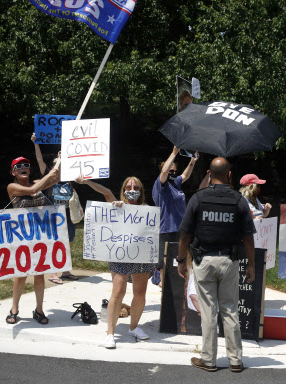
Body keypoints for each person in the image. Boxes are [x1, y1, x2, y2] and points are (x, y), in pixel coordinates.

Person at [177, 157, 256, 372]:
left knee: (209, 311)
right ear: (230, 175)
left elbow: (185, 234)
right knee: (230, 310)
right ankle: (236, 360)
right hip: (229, 261)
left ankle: (209, 360)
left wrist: (181, 259)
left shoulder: (198, 198)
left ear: (209, 174)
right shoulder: (239, 200)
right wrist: (251, 265)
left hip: (204, 260)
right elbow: (249, 237)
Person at [75, 174, 154, 349]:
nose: (132, 190)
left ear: (141, 191)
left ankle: (133, 327)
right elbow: (106, 192)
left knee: (140, 293)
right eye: (128, 187)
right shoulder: (117, 205)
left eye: (136, 187)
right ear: (123, 190)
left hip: (141, 256)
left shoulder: (147, 210)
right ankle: (110, 332)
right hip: (120, 255)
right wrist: (87, 181)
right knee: (118, 292)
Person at [5, 156, 60, 325]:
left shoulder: (37, 182)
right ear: (13, 172)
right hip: (22, 235)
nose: (23, 168)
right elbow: (33, 189)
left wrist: (59, 161)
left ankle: (39, 310)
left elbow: (56, 179)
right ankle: (14, 309)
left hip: (40, 236)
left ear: (29, 169)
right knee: (20, 274)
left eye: (26, 165)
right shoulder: (13, 187)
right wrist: (50, 174)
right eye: (18, 166)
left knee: (39, 274)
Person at [31, 133, 79, 284]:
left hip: (68, 216)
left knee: (67, 244)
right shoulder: (49, 177)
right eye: (56, 162)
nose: (59, 164)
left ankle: (65, 271)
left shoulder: (70, 177)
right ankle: (53, 273)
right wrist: (36, 143)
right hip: (53, 217)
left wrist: (66, 155)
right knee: (54, 244)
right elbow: (39, 160)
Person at [152, 146, 198, 285]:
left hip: (181, 229)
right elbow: (165, 171)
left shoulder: (175, 183)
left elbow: (185, 175)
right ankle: (162, 287)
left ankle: (183, 288)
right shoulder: (161, 185)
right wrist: (174, 153)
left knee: (183, 259)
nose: (173, 173)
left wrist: (193, 160)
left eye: (174, 171)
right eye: (170, 171)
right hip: (166, 228)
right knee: (164, 263)